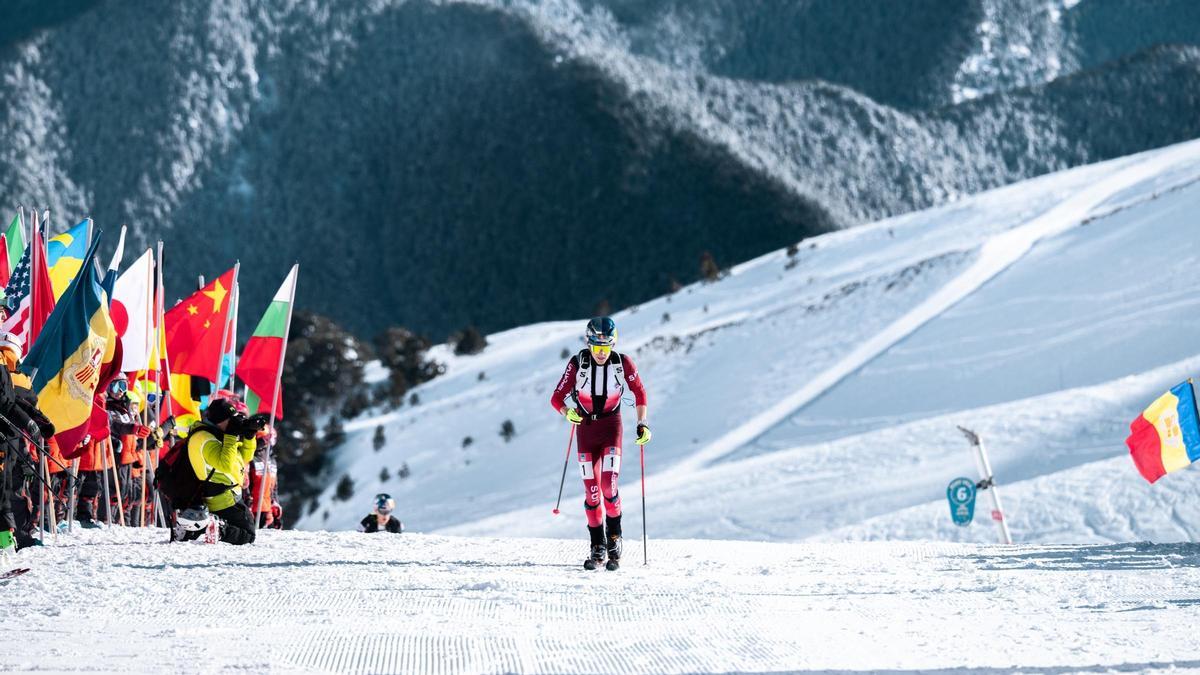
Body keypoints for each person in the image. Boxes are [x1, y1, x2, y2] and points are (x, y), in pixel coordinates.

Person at [549, 316, 650, 570]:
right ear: (589, 344)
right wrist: (566, 412)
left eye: (606, 348)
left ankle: (615, 538)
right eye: (597, 348)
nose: (601, 353)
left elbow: (640, 392)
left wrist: (643, 423)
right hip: (585, 429)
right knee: (592, 491)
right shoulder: (578, 363)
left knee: (608, 484)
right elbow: (556, 397)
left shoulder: (622, 362)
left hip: (611, 426)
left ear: (613, 345)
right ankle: (597, 545)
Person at [175, 398, 266, 544]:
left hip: (229, 495)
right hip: (220, 499)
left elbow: (244, 457)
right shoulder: (204, 438)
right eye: (230, 420)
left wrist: (249, 436)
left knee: (247, 530)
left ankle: (200, 529)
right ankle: (214, 530)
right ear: (220, 421)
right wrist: (231, 436)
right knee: (248, 535)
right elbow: (225, 465)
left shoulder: (217, 433)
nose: (234, 423)